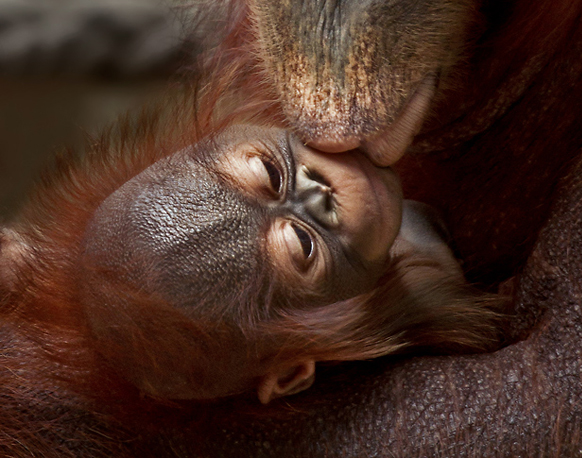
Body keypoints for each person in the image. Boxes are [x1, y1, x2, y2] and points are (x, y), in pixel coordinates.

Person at [79, 123, 501, 406]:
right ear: (293, 372)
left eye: (269, 171)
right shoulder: (433, 318)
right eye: (302, 243)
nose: (314, 189)